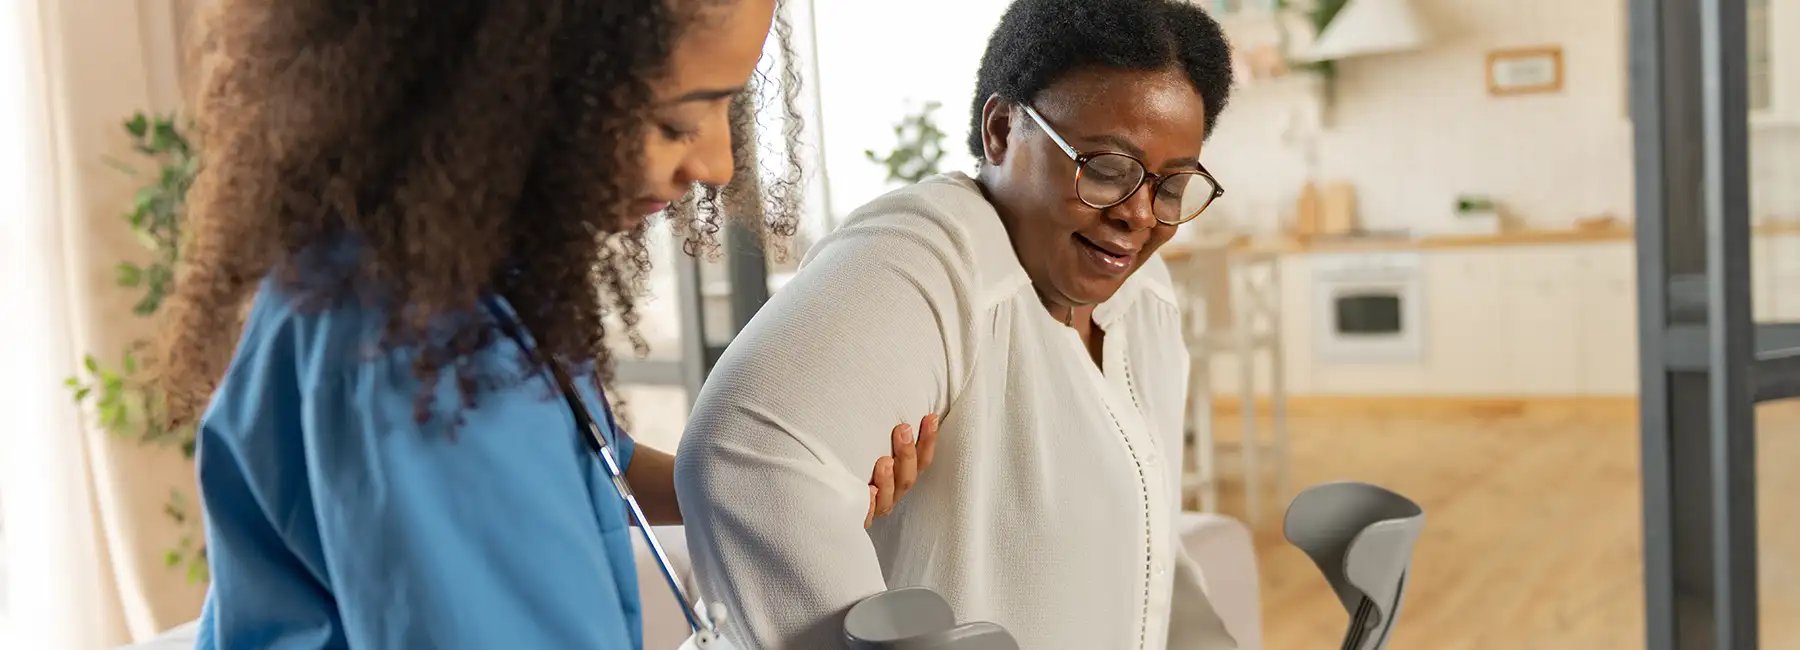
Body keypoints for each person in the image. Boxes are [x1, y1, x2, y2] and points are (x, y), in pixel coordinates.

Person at [158, 0, 934, 648]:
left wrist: (780, 482)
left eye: (732, 103)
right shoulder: (429, 360)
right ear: (515, 87)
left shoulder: (434, 276)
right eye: (677, 120)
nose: (718, 164)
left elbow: (589, 459)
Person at [672, 0, 1239, 647]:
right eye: (1107, 169)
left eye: (1172, 187)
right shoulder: (932, 249)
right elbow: (742, 457)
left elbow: (1147, 537)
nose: (1139, 215)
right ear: (1000, 130)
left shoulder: (1147, 299)